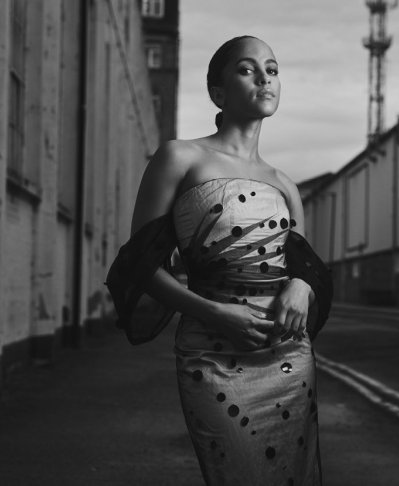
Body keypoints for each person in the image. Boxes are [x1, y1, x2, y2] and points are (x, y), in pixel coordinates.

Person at [106, 35, 333, 486]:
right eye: (248, 69)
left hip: (288, 355)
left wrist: (302, 285)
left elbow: (303, 267)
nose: (264, 78)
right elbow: (139, 265)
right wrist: (215, 313)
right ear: (217, 92)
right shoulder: (180, 157)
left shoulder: (285, 185)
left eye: (272, 69)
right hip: (211, 352)